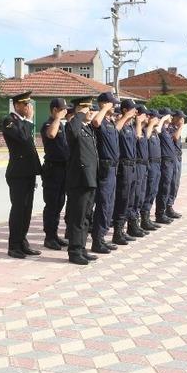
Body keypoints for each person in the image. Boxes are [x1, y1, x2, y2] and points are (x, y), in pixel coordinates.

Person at [2, 91, 43, 259]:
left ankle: (22, 242)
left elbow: (29, 148)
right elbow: (24, 138)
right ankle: (13, 246)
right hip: (17, 173)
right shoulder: (9, 121)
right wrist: (29, 120)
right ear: (16, 105)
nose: (28, 107)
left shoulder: (22, 122)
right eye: (25, 104)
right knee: (18, 210)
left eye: (29, 104)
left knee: (27, 210)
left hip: (28, 172)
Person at [64, 96, 104, 265]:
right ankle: (74, 252)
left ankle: (81, 248)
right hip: (79, 179)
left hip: (90, 178)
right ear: (80, 109)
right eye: (88, 108)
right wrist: (79, 114)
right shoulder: (73, 125)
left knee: (86, 217)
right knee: (77, 217)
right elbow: (73, 132)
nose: (91, 111)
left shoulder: (87, 128)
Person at [91, 92, 122, 253]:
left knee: (110, 204)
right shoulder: (99, 119)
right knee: (103, 204)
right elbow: (96, 121)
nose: (115, 106)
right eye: (112, 103)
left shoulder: (110, 121)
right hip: (104, 168)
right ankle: (97, 241)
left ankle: (102, 236)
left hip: (113, 168)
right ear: (104, 104)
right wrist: (103, 108)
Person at [40, 98, 70, 251]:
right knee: (52, 204)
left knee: (59, 203)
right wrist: (57, 118)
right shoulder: (48, 124)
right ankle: (49, 237)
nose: (65, 111)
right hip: (53, 169)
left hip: (63, 169)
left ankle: (54, 234)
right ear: (54, 110)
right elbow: (51, 134)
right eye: (62, 109)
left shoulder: (61, 125)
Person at [110, 99, 140, 247]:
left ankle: (125, 229)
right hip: (123, 166)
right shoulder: (119, 124)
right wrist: (125, 117)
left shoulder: (130, 126)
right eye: (133, 109)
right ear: (125, 110)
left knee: (130, 199)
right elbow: (115, 131)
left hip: (132, 166)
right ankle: (117, 232)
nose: (135, 112)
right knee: (122, 199)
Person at [129, 106, 152, 236]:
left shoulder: (143, 130)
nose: (148, 117)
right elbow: (137, 138)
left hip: (144, 165)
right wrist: (138, 122)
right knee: (136, 195)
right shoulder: (135, 128)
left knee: (141, 195)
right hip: (137, 165)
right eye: (145, 115)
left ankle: (137, 222)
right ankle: (132, 224)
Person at [141, 109, 162, 232]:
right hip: (150, 163)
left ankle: (147, 217)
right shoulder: (146, 130)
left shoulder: (154, 131)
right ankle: (144, 219)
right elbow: (145, 138)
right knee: (148, 191)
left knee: (153, 191)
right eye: (156, 118)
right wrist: (150, 124)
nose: (158, 120)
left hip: (157, 164)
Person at [155, 109, 176, 225]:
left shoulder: (167, 129)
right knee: (163, 188)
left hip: (170, 162)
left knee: (168, 188)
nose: (171, 117)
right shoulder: (161, 128)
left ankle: (163, 212)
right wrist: (162, 119)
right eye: (170, 115)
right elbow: (157, 130)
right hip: (165, 162)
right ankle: (160, 214)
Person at [166, 110, 186, 219]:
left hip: (178, 157)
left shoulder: (175, 128)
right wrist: (181, 127)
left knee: (176, 183)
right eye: (180, 118)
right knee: (172, 182)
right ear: (175, 118)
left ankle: (170, 205)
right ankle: (168, 206)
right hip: (173, 158)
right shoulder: (170, 128)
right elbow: (175, 137)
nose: (182, 120)